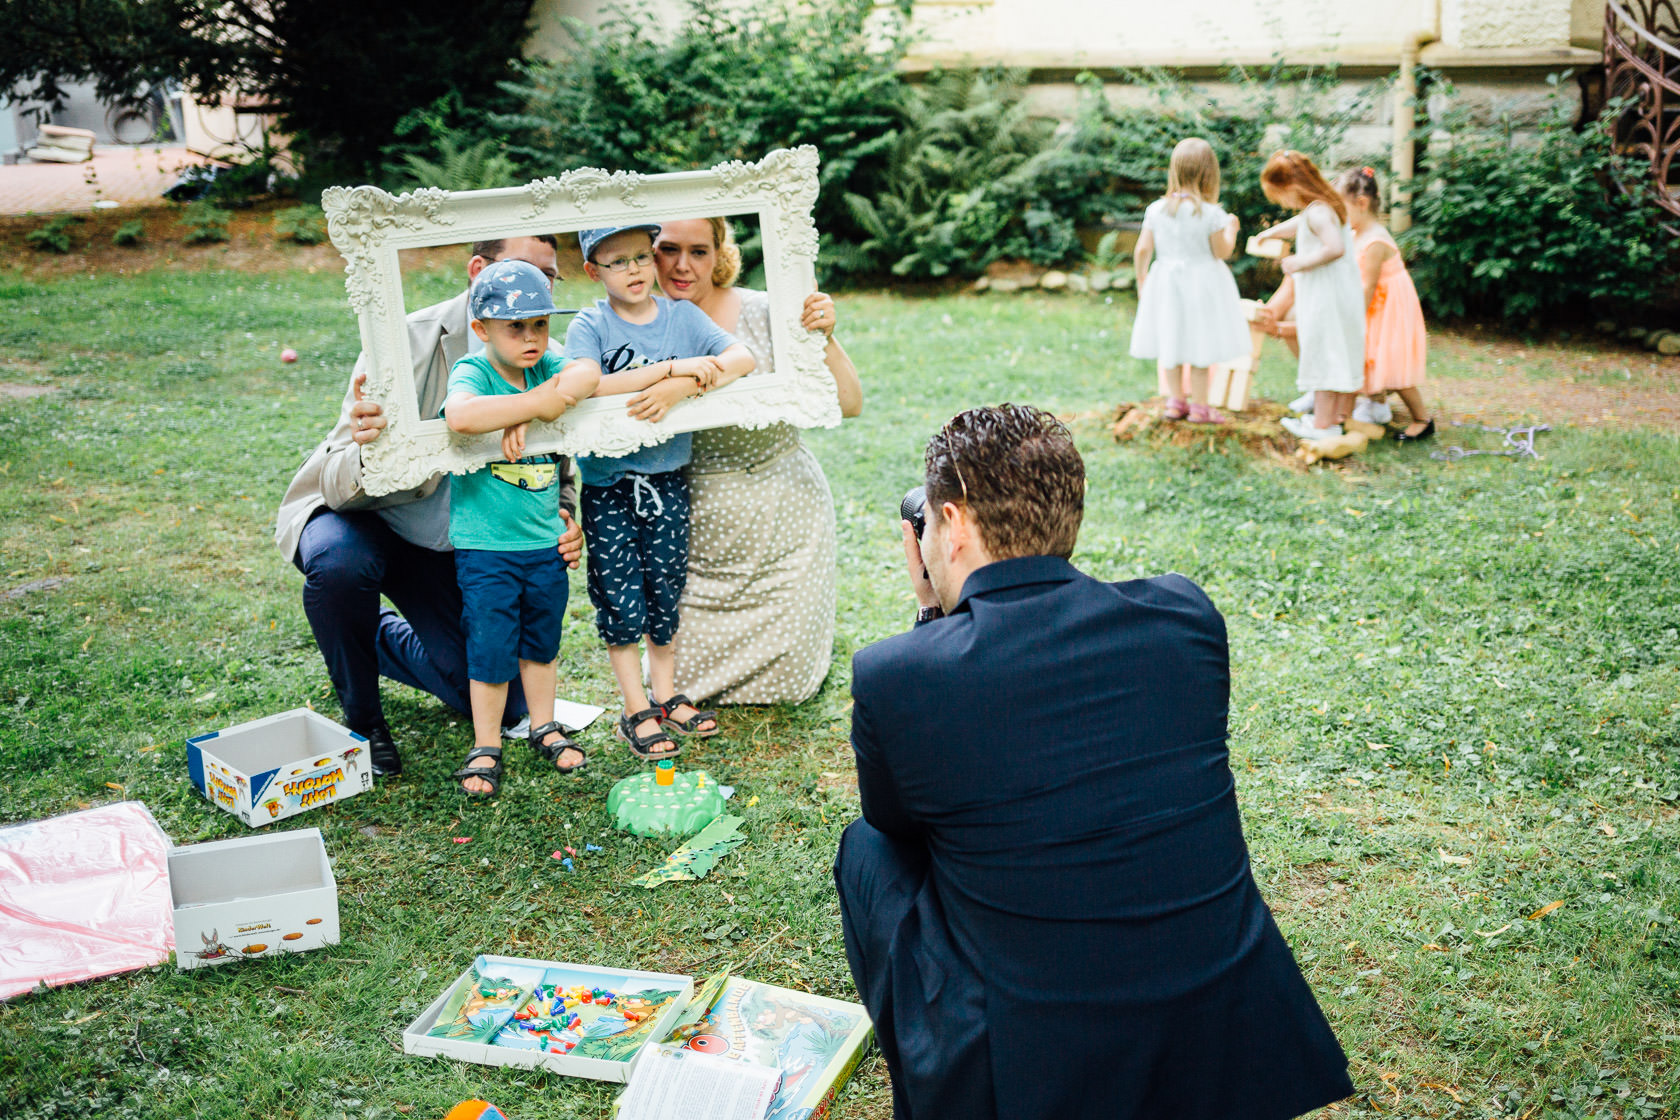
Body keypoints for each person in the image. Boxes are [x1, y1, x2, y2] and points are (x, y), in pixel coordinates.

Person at [834, 404, 1353, 1120]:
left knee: (867, 848)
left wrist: (932, 619)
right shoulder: (1185, 615)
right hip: (1223, 1022)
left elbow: (897, 822)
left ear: (951, 524)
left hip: (1036, 1055)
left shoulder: (898, 673)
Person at [274, 237, 586, 777]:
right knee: (343, 568)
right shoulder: (402, 341)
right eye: (520, 270)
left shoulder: (542, 354)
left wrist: (561, 514)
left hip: (452, 542)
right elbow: (337, 478)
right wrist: (372, 444)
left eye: (549, 276)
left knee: (498, 698)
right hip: (365, 517)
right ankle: (364, 721)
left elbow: (556, 455)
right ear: (477, 270)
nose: (535, 288)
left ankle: (374, 636)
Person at [560, 224, 756, 759]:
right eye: (617, 261)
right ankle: (634, 708)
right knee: (620, 595)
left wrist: (681, 386)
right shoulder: (591, 324)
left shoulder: (682, 317)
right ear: (593, 271)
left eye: (642, 257)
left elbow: (741, 359)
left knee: (665, 589)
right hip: (610, 486)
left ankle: (665, 695)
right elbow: (587, 386)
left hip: (668, 479)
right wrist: (667, 368)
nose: (635, 271)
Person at [652, 217, 862, 705]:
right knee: (674, 680)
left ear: (719, 252)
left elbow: (850, 402)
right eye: (668, 249)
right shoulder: (633, 325)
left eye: (699, 251)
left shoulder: (768, 311)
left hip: (785, 516)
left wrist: (825, 337)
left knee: (789, 682)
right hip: (692, 520)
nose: (683, 266)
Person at [438, 259, 599, 796]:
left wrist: (532, 408)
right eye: (515, 327)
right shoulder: (474, 370)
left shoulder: (546, 363)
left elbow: (588, 375)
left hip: (544, 543)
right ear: (481, 329)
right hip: (487, 548)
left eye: (540, 324)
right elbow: (461, 416)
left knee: (541, 642)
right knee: (490, 647)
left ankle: (543, 724)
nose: (531, 337)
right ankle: (486, 744)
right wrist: (531, 404)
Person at [1128, 137, 1249, 424]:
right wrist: (1232, 230)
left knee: (1171, 338)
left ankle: (1175, 402)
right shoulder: (1211, 214)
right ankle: (1199, 407)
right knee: (1200, 342)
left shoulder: (1156, 210)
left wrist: (1142, 278)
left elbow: (1142, 249)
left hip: (1166, 283)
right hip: (1202, 285)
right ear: (1210, 174)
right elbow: (1221, 252)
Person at [1254, 150, 1366, 442]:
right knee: (1329, 353)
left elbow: (1335, 248)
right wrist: (1270, 233)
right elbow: (1299, 225)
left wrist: (1299, 263)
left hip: (1326, 298)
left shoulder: (1317, 212)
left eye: (1280, 197)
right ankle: (1329, 421)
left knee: (1323, 355)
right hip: (1335, 295)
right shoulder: (1321, 208)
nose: (1282, 203)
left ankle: (1322, 427)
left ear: (1292, 187)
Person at [1338, 166, 1435, 442]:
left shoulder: (1375, 240)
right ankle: (1347, 414)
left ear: (1361, 203)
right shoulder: (1356, 234)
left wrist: (1355, 319)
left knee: (1392, 366)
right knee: (1362, 358)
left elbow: (1368, 285)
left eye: (1342, 209)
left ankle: (1422, 420)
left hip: (1389, 308)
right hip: (1375, 305)